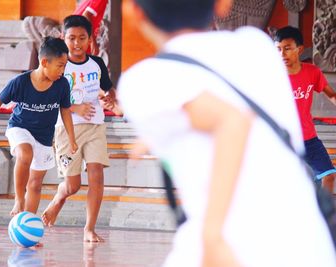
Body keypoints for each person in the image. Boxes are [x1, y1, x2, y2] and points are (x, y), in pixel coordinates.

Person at [118, 0, 336, 266]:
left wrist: (212, 236)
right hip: (307, 243)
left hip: (228, 246)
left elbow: (233, 121)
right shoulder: (257, 47)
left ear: (132, 11)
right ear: (223, 5)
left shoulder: (145, 81)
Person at [0, 37, 77, 218]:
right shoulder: (21, 82)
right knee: (25, 153)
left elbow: (65, 110)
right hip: (19, 127)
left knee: (35, 184)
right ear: (44, 62)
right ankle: (18, 198)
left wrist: (72, 138)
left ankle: (28, 223)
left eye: (65, 66)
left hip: (44, 137)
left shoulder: (62, 84)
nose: (63, 71)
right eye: (60, 65)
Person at [42, 15, 117, 243]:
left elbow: (108, 91)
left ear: (90, 39)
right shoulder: (59, 67)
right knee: (73, 185)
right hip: (67, 129)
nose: (77, 43)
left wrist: (109, 99)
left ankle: (89, 229)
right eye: (71, 38)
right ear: (62, 38)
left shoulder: (97, 63)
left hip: (95, 126)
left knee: (97, 174)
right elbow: (49, 96)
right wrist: (75, 107)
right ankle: (59, 198)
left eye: (82, 38)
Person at [275, 26, 336, 193]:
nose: (282, 54)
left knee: (328, 176)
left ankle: (324, 216)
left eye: (287, 49)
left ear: (299, 49)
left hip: (309, 138)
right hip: (282, 139)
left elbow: (331, 94)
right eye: (278, 49)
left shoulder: (312, 72)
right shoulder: (271, 75)